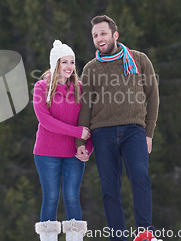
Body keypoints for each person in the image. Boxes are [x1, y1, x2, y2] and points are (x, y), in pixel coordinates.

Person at [75, 15, 161, 241]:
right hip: (103, 133)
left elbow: (152, 97)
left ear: (115, 35)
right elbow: (86, 106)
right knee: (110, 189)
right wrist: (80, 141)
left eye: (103, 33)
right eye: (95, 35)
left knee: (140, 177)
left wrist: (149, 133)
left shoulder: (139, 60)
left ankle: (145, 234)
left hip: (134, 131)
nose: (99, 39)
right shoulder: (90, 69)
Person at [33, 40, 93, 241]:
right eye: (64, 62)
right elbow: (46, 121)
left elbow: (89, 122)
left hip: (73, 154)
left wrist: (87, 148)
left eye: (72, 62)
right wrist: (76, 133)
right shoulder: (41, 87)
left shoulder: (81, 89)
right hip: (46, 152)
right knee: (50, 198)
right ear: (55, 64)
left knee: (72, 197)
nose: (69, 67)